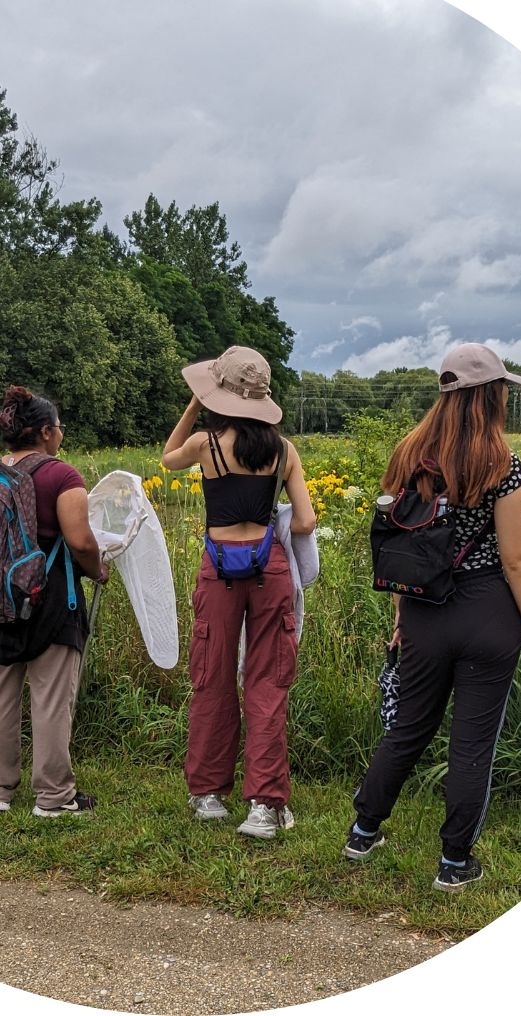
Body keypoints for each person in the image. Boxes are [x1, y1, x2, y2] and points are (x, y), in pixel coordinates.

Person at [344, 342, 521, 892]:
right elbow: (515, 559)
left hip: (422, 608)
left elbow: (399, 548)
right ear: (490, 395)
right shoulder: (502, 462)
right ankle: (455, 862)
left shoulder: (408, 454)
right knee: (472, 743)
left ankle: (364, 829)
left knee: (408, 726)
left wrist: (400, 615)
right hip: (487, 612)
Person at [162, 346, 316, 839]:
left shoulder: (205, 445)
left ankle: (207, 793)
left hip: (219, 568)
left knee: (213, 675)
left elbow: (166, 459)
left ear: (218, 396)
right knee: (267, 682)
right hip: (268, 568)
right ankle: (265, 807)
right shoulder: (285, 451)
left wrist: (193, 405)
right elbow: (307, 520)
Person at [0, 385, 108, 817]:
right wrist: (97, 569)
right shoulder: (61, 475)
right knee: (50, 698)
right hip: (49, 597)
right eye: (60, 428)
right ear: (48, 432)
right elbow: (80, 540)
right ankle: (53, 798)